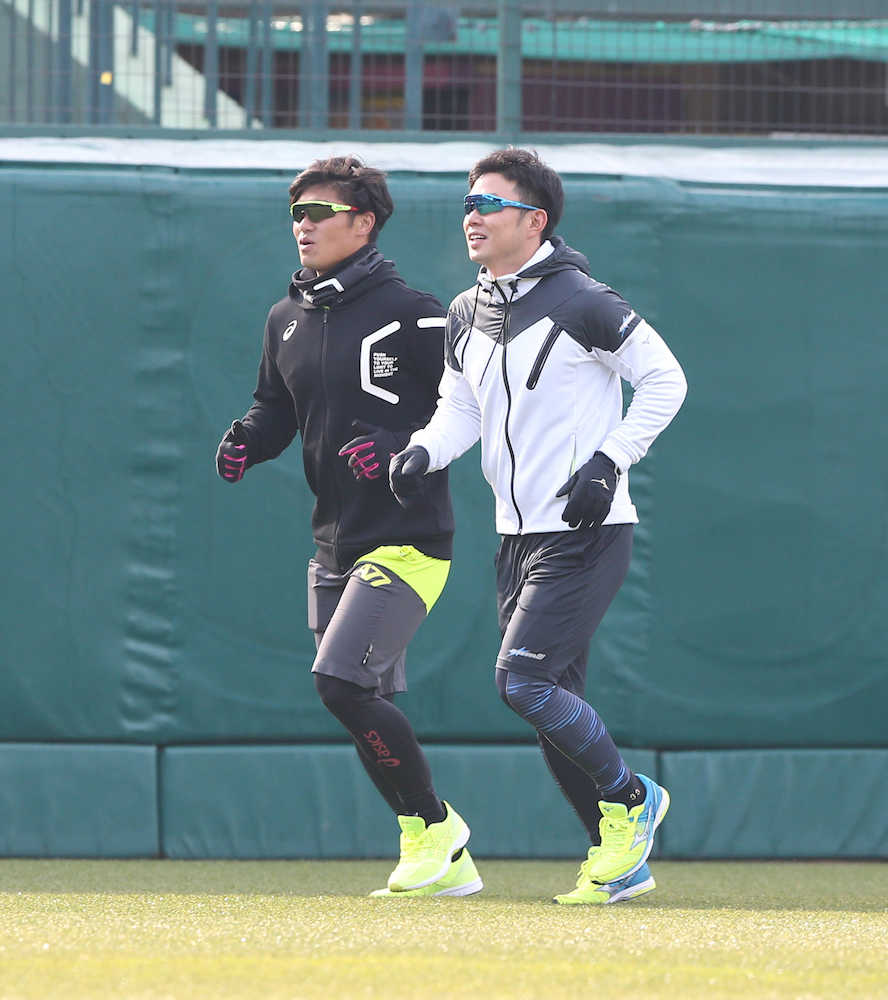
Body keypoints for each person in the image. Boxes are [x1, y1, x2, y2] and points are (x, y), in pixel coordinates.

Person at [389, 148, 687, 904]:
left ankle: (632, 799)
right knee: (551, 704)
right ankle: (618, 862)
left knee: (521, 680)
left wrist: (610, 459)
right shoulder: (466, 310)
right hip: (515, 538)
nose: (472, 216)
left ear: (535, 220)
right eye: (467, 202)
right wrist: (424, 451)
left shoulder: (584, 299)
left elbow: (665, 379)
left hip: (586, 530)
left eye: (489, 203)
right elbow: (459, 407)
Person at [215, 155, 480, 899]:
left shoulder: (417, 312)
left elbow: (466, 410)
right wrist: (249, 439)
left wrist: (400, 447)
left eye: (319, 213)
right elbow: (276, 408)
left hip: (410, 538)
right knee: (360, 702)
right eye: (295, 213)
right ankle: (440, 858)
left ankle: (436, 827)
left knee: (340, 684)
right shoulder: (285, 318)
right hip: (334, 541)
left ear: (363, 224)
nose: (302, 225)